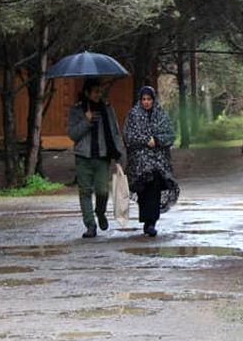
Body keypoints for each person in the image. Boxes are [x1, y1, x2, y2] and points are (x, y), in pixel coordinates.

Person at [67, 77, 126, 238]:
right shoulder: (77, 110)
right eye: (95, 92)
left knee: (102, 191)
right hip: (83, 157)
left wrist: (120, 156)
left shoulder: (107, 109)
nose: (98, 94)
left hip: (102, 156)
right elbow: (73, 134)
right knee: (85, 192)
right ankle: (90, 225)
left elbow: (114, 132)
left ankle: (100, 212)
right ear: (87, 92)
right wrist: (86, 120)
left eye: (100, 91)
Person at [124, 85, 179, 237]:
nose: (146, 102)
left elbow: (170, 135)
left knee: (154, 189)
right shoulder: (134, 115)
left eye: (149, 99)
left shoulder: (160, 115)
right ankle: (146, 220)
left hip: (158, 161)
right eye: (144, 99)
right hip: (140, 162)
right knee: (144, 190)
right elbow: (128, 136)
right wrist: (144, 140)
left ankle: (152, 222)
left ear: (153, 100)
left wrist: (157, 140)